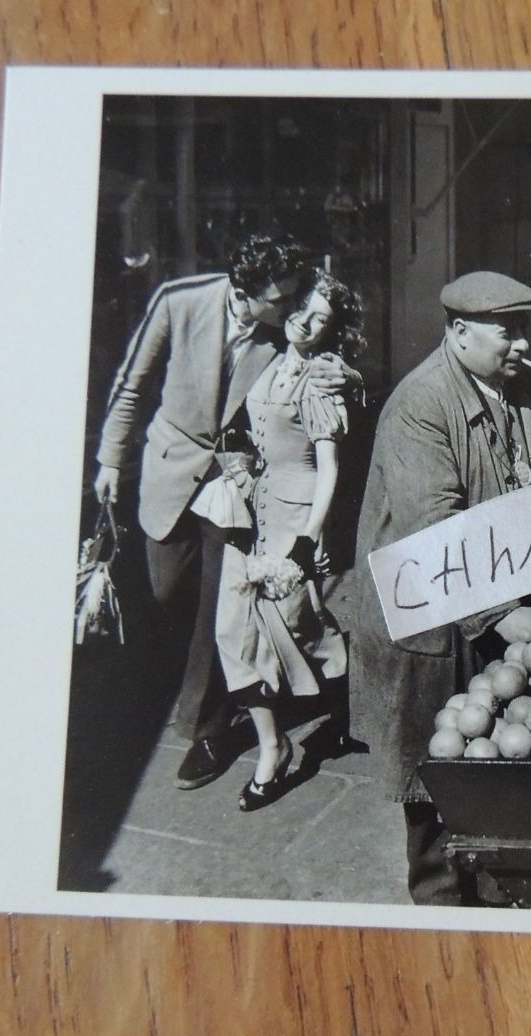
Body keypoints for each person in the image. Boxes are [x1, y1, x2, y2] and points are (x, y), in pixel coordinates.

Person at [349, 271, 531, 906]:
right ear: (459, 333)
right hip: (431, 620)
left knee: (496, 760)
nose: (521, 343)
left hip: (494, 600)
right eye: (507, 330)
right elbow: (432, 532)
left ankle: (499, 899)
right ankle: (443, 916)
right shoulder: (421, 406)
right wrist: (502, 613)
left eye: (525, 328)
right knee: (438, 782)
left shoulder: (520, 390)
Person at [93, 235, 358, 791]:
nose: (291, 309)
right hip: (170, 472)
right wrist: (111, 460)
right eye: (282, 300)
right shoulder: (179, 301)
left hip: (236, 489)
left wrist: (350, 379)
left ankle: (209, 727)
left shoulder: (282, 335)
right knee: (169, 591)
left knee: (221, 607)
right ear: (246, 293)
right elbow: (132, 383)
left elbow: (331, 370)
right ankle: (238, 680)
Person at [193, 270, 362, 811]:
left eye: (320, 320)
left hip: (295, 517)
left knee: (301, 628)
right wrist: (239, 460)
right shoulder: (266, 360)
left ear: (332, 332)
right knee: (232, 632)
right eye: (302, 309)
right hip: (252, 508)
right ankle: (273, 747)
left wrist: (309, 538)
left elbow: (329, 470)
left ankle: (351, 703)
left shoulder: (323, 377)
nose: (305, 324)